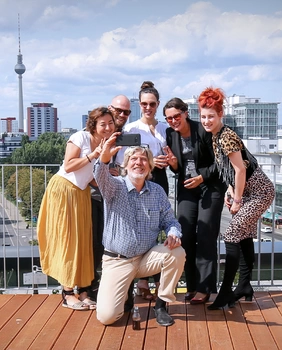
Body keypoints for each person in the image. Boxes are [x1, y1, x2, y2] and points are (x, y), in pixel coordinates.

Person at [93, 138, 185, 327]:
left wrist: (173, 233)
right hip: (118, 260)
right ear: (125, 165)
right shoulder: (115, 186)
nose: (139, 162)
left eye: (144, 159)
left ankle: (161, 305)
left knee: (177, 252)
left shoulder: (157, 191)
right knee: (107, 317)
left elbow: (170, 220)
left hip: (146, 258)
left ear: (150, 167)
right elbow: (100, 176)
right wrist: (103, 159)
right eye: (133, 159)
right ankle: (124, 295)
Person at [198, 87, 275, 310]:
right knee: (244, 236)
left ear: (220, 114)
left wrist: (238, 199)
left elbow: (241, 170)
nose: (206, 120)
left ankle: (226, 293)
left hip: (259, 192)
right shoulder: (216, 136)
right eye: (203, 116)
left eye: (211, 116)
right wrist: (229, 191)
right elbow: (229, 170)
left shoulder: (226, 136)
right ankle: (244, 287)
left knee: (231, 235)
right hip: (248, 192)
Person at [37, 107, 116, 310]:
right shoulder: (80, 137)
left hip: (81, 193)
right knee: (67, 240)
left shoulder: (106, 145)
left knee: (83, 243)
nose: (107, 127)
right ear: (94, 125)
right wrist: (94, 155)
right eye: (103, 123)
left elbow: (93, 180)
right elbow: (69, 165)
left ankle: (82, 291)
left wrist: (113, 174)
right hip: (63, 191)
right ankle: (67, 293)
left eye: (110, 123)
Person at [164, 97, 226, 305]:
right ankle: (191, 286)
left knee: (206, 235)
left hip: (210, 186)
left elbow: (220, 163)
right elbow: (179, 168)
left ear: (185, 113)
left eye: (176, 116)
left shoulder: (203, 130)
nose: (173, 121)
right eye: (169, 118)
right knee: (186, 234)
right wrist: (173, 165)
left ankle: (205, 288)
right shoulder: (170, 134)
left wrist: (202, 177)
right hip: (188, 189)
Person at [122, 81, 170, 301]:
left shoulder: (164, 128)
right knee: (140, 227)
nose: (148, 107)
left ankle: (157, 275)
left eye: (152, 104)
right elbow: (124, 158)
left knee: (158, 226)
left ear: (158, 104)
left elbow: (172, 154)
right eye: (144, 104)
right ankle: (141, 280)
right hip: (139, 179)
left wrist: (168, 161)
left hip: (160, 179)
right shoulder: (131, 128)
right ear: (139, 105)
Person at [89, 95, 131, 299]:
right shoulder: (94, 135)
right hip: (93, 195)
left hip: (114, 196)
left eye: (126, 112)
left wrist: (118, 171)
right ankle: (91, 286)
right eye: (118, 110)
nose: (121, 115)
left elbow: (128, 170)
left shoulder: (125, 136)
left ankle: (112, 288)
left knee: (112, 243)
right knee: (94, 243)